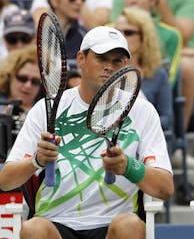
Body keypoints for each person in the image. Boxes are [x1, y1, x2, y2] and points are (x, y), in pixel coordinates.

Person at [0, 26, 174, 239]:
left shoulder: (142, 111)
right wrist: (36, 161)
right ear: (81, 59)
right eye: (101, 58)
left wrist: (128, 166)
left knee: (129, 225)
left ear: (125, 66)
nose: (109, 67)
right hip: (56, 224)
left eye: (117, 60)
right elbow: (6, 181)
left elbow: (165, 188)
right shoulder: (44, 110)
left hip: (113, 226)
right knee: (33, 228)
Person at [115, 7, 173, 132]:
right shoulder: (105, 71)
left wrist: (138, 125)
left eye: (129, 32)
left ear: (144, 37)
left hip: (145, 139)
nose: (122, 37)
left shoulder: (158, 75)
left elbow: (166, 118)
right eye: (118, 32)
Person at [155, 0, 194, 130]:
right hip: (139, 53)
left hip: (180, 55)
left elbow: (182, 36)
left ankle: (179, 135)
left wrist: (159, 3)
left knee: (186, 67)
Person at [111, 0, 182, 89]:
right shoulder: (106, 29)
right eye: (116, 32)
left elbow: (168, 82)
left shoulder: (172, 35)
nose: (122, 37)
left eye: (129, 33)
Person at [0, 45, 41, 163]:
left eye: (35, 82)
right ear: (10, 76)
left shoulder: (43, 112)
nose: (28, 86)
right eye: (22, 78)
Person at [31, 0, 113, 30]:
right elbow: (42, 27)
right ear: (54, 1)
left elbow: (97, 26)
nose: (79, 2)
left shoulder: (81, 33)